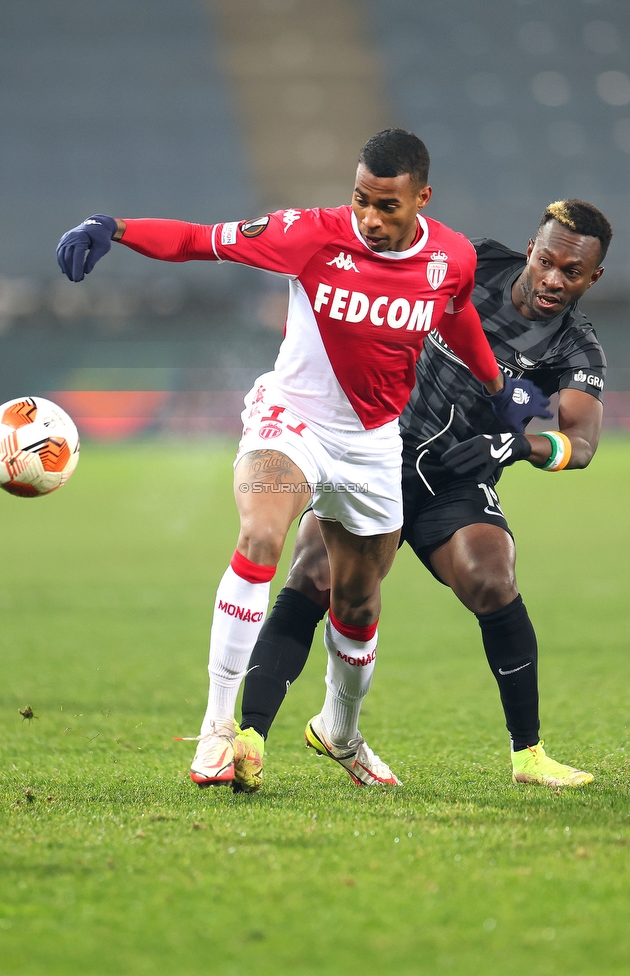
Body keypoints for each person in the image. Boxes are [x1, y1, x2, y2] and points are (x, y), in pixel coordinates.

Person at [57, 128, 549, 790]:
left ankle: (341, 731)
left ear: (422, 199)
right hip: (293, 420)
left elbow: (455, 314)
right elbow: (200, 241)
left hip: (375, 442)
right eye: (361, 200)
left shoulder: (452, 258)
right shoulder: (310, 235)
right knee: (262, 535)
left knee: (357, 598)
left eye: (387, 206)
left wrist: (497, 388)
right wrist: (114, 227)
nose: (370, 218)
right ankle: (216, 729)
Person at [236, 198, 611, 791]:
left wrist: (516, 448)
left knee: (493, 580)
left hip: (457, 477)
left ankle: (530, 756)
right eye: (546, 261)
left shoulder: (575, 348)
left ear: (593, 277)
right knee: (313, 573)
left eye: (572, 273)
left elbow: (580, 443)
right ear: (532, 250)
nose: (553, 280)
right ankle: (249, 736)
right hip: (374, 450)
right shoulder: (478, 263)